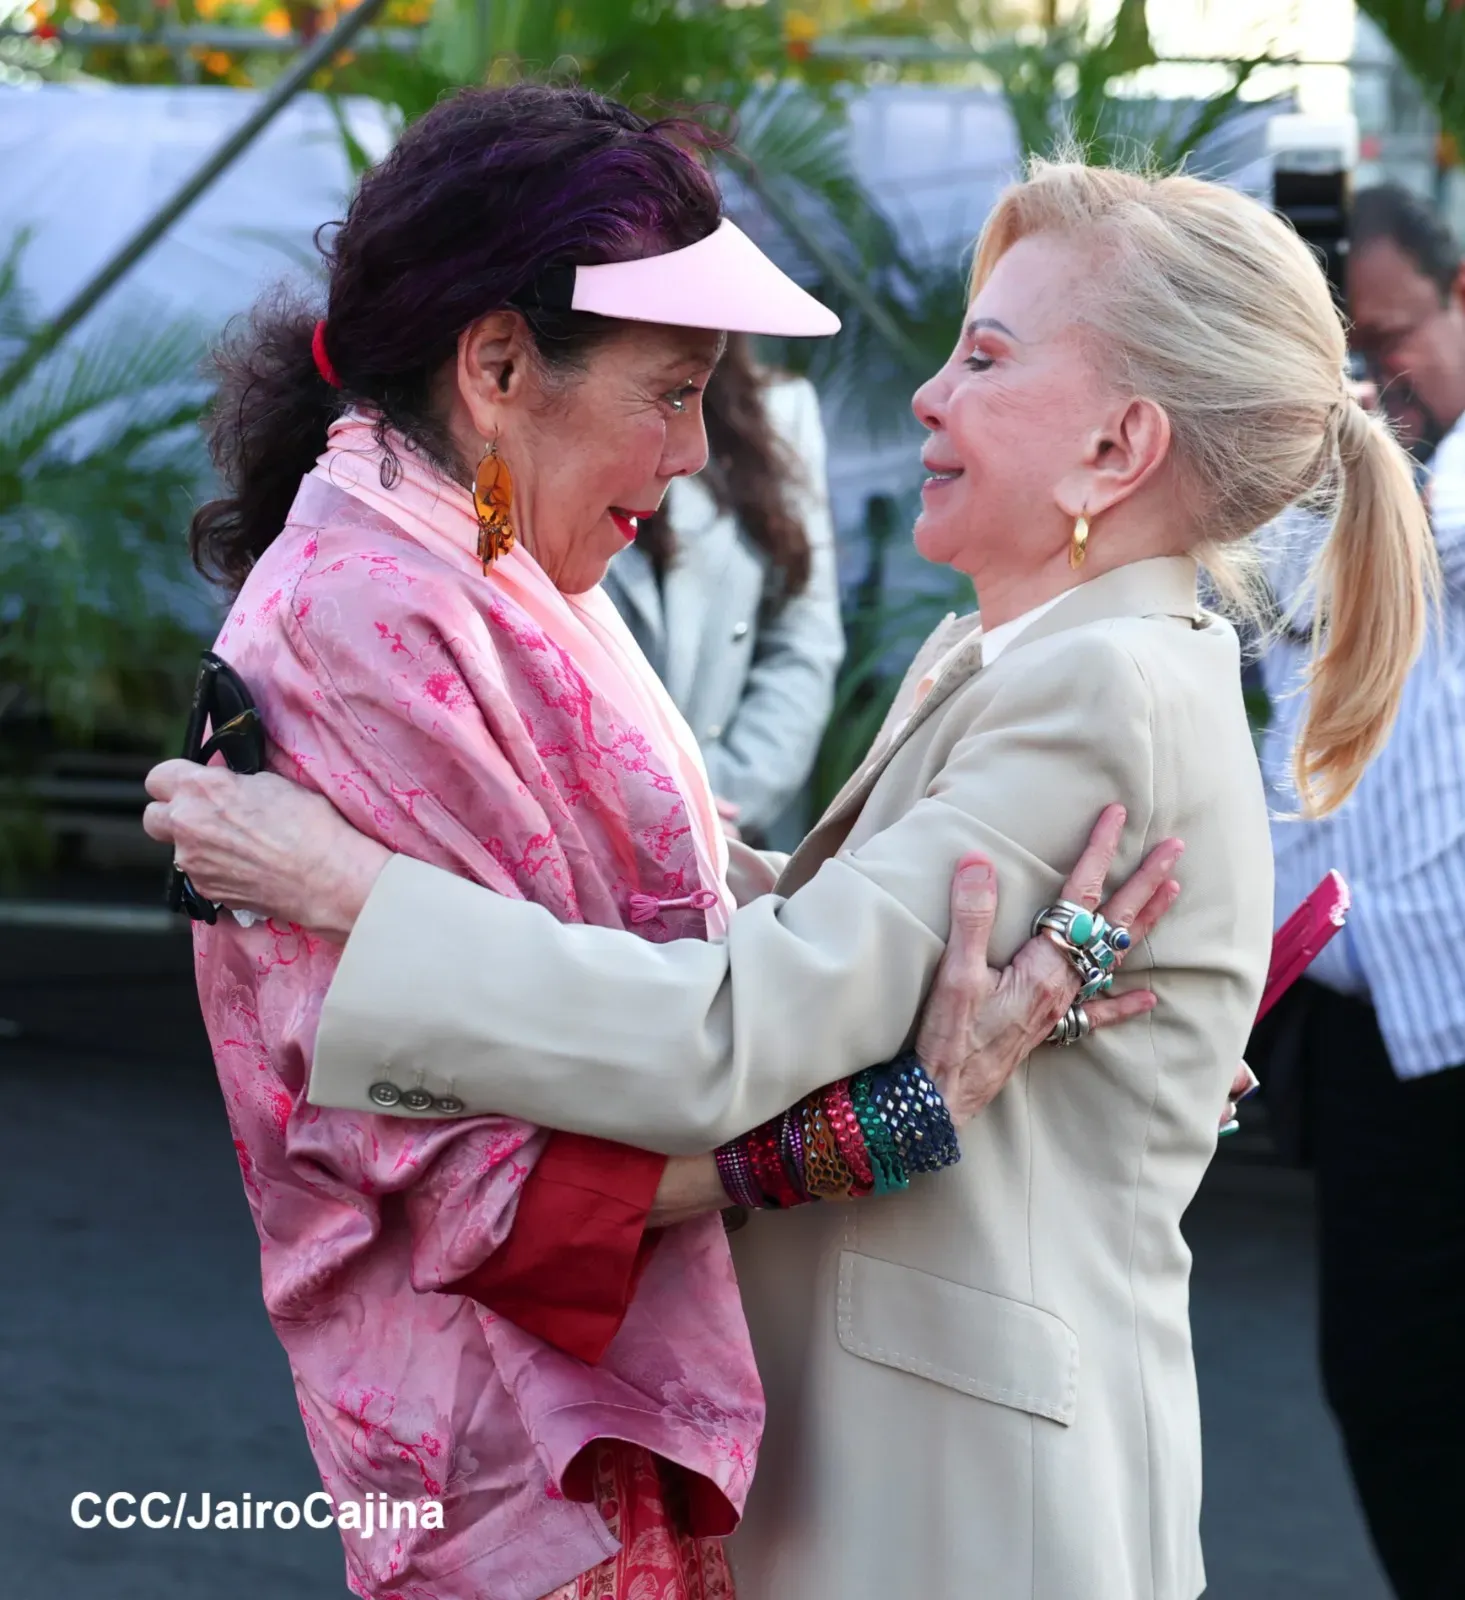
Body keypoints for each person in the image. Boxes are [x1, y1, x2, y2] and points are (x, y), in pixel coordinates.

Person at [147, 159, 1434, 1599]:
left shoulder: (1098, 692)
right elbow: (814, 953)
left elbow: (726, 1041)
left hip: (957, 1506)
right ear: (493, 367)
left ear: (1116, 449)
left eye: (986, 356)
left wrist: (356, 888)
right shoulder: (1032, 661)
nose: (928, 396)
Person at [1254, 183, 1465, 1600]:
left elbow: (1421, 540)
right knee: (1386, 1390)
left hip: (1449, 1006)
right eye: (1345, 347)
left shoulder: (1428, 492)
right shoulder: (1310, 496)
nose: (1373, 373)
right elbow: (1265, 588)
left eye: (1391, 336)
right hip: (1363, 1023)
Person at [603, 334, 844, 844]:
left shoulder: (777, 411)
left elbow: (802, 639)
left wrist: (712, 801)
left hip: (730, 825)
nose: (688, 454)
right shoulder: (564, 397)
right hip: (591, 818)